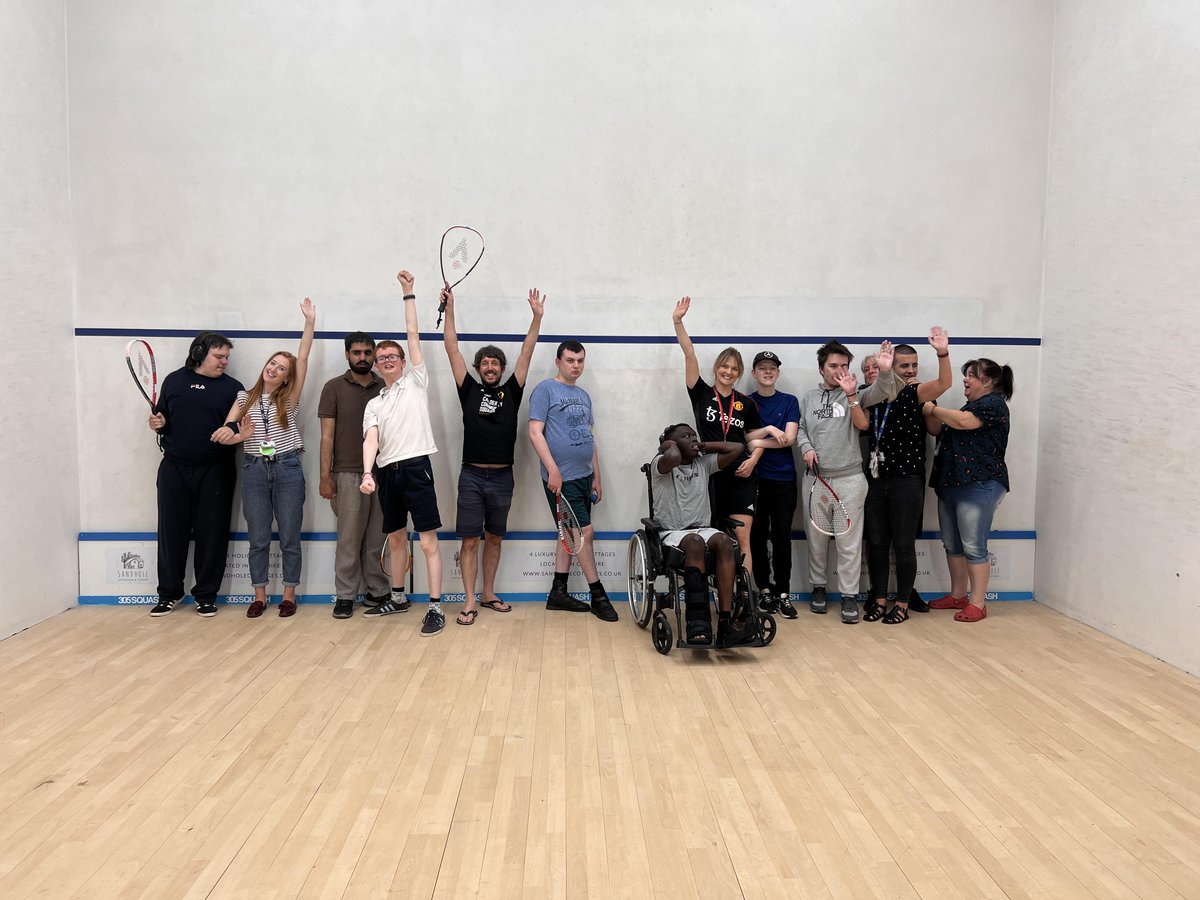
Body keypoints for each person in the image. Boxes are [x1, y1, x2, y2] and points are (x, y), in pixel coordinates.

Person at [671, 297, 787, 597]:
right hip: (709, 473)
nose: (728, 372)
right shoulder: (701, 393)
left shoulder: (746, 403)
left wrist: (755, 458)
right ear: (717, 368)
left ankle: (744, 597)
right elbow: (689, 354)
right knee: (715, 538)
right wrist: (678, 322)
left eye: (734, 369)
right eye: (725, 366)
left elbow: (752, 439)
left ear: (738, 373)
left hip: (743, 475)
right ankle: (718, 593)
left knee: (743, 537)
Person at [442, 285, 544, 625]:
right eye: (484, 363)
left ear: (501, 368)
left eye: (494, 363)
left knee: (494, 538)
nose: (489, 366)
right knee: (470, 541)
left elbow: (527, 352)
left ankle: (489, 593)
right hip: (471, 475)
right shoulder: (467, 389)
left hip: (503, 476)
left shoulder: (512, 390)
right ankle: (470, 600)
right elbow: (451, 347)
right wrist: (450, 307)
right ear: (478, 367)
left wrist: (537, 317)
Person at [213, 299, 317, 618]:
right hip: (255, 470)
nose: (274, 369)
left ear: (287, 378)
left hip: (287, 468)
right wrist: (237, 437)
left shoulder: (290, 398)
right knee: (258, 537)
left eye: (281, 368)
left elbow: (302, 357)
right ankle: (258, 596)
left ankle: (288, 595)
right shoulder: (244, 397)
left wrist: (309, 323)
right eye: (272, 363)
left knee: (289, 536)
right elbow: (227, 431)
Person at [359, 270, 446, 637]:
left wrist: (408, 294)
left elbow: (413, 335)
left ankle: (436, 606)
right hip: (387, 473)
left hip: (417, 468)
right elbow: (370, 440)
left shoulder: (416, 381)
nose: (390, 360)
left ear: (403, 361)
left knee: (427, 541)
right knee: (396, 538)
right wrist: (367, 473)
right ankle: (397, 597)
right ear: (377, 365)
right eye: (383, 357)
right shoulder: (375, 402)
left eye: (394, 355)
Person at [797, 340, 901, 623]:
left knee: (849, 544)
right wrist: (806, 448)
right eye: (833, 366)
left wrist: (884, 371)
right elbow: (802, 428)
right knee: (817, 540)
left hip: (851, 480)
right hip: (816, 480)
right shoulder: (808, 398)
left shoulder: (858, 393)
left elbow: (884, 390)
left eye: (844, 365)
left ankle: (849, 596)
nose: (839, 371)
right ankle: (819, 589)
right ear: (821, 369)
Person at [147, 332, 247, 617]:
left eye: (227, 357)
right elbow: (162, 419)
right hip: (174, 468)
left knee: (212, 533)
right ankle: (168, 593)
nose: (224, 362)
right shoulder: (174, 380)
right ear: (199, 353)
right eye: (219, 356)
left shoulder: (235, 388)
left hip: (216, 470)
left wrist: (233, 430)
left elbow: (240, 428)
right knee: (170, 532)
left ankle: (206, 595)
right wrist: (158, 423)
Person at [861, 329, 953, 624]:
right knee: (876, 543)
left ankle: (901, 604)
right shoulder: (872, 395)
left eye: (914, 365)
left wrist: (942, 353)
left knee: (903, 544)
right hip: (876, 477)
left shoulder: (916, 392)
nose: (911, 370)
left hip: (907, 480)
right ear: (889, 366)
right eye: (904, 365)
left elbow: (945, 383)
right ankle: (877, 600)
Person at [527, 340, 618, 621]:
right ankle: (598, 594)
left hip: (584, 476)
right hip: (561, 479)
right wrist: (553, 470)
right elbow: (534, 432)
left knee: (568, 534)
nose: (575, 365)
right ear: (558, 362)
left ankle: (558, 592)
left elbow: (589, 438)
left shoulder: (584, 395)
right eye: (570, 360)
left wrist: (597, 476)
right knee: (582, 534)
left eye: (580, 361)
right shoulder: (545, 390)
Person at [922, 358, 1014, 623]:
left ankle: (978, 603)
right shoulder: (971, 405)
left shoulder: (993, 404)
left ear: (989, 381)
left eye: (972, 375)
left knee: (974, 545)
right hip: (951, 485)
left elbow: (964, 422)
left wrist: (931, 408)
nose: (965, 379)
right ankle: (958, 595)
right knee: (952, 544)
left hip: (979, 485)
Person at [652, 424, 757, 647]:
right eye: (685, 436)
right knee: (695, 542)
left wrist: (704, 445)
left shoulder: (703, 463)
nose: (692, 438)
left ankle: (726, 624)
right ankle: (697, 622)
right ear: (671, 443)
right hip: (673, 532)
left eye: (694, 435)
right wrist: (669, 445)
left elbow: (737, 448)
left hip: (702, 529)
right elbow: (671, 456)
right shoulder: (660, 464)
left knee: (724, 541)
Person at [318, 331, 388, 619]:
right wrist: (325, 476)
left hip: (383, 471)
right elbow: (326, 437)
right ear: (347, 355)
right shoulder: (333, 387)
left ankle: (378, 590)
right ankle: (345, 595)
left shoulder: (386, 387)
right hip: (346, 473)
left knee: (376, 537)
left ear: (374, 355)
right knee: (348, 538)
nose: (362, 358)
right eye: (356, 353)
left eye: (367, 353)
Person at [746, 351, 801, 619]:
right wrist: (767, 430)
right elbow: (745, 436)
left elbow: (789, 439)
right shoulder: (746, 403)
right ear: (754, 373)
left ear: (777, 373)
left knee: (782, 538)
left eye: (772, 368)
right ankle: (764, 590)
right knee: (756, 537)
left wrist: (758, 442)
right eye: (762, 368)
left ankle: (783, 593)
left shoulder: (789, 401)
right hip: (756, 481)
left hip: (784, 480)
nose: (767, 372)